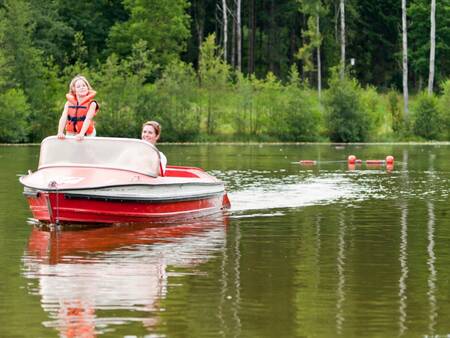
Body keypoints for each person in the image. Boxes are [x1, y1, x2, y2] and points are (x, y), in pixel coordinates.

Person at [57, 75, 99, 141]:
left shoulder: (92, 104)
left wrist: (81, 134)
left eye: (84, 86)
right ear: (74, 89)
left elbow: (88, 119)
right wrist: (60, 132)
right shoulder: (68, 103)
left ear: (87, 87)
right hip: (71, 133)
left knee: (85, 149)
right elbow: (63, 117)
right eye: (78, 86)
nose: (82, 88)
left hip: (87, 133)